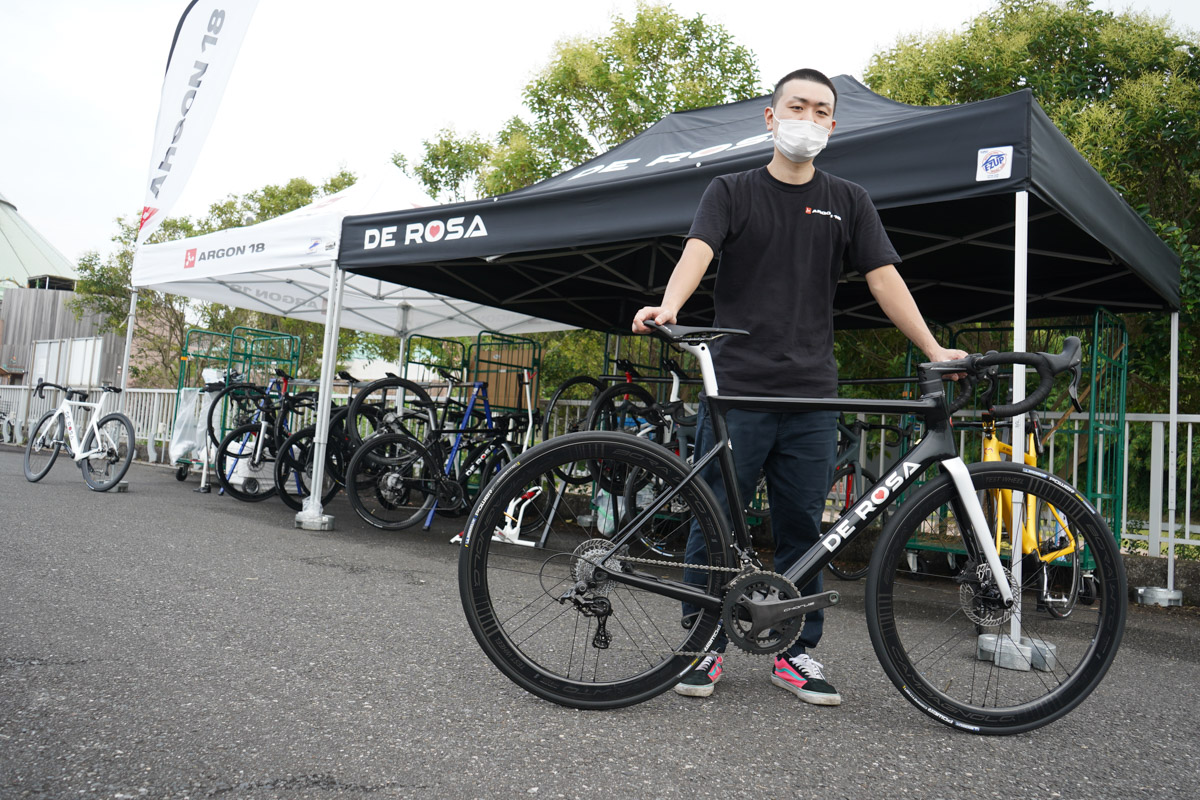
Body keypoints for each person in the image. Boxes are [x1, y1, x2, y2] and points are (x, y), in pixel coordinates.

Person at [631, 68, 966, 706]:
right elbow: (697, 251)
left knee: (802, 527)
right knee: (716, 518)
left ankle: (795, 651)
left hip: (813, 391)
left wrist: (932, 348)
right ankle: (702, 645)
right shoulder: (730, 190)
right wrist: (671, 305)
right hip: (740, 387)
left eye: (820, 111)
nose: (806, 119)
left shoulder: (849, 199)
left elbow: (884, 278)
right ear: (770, 116)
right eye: (796, 106)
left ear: (833, 126)